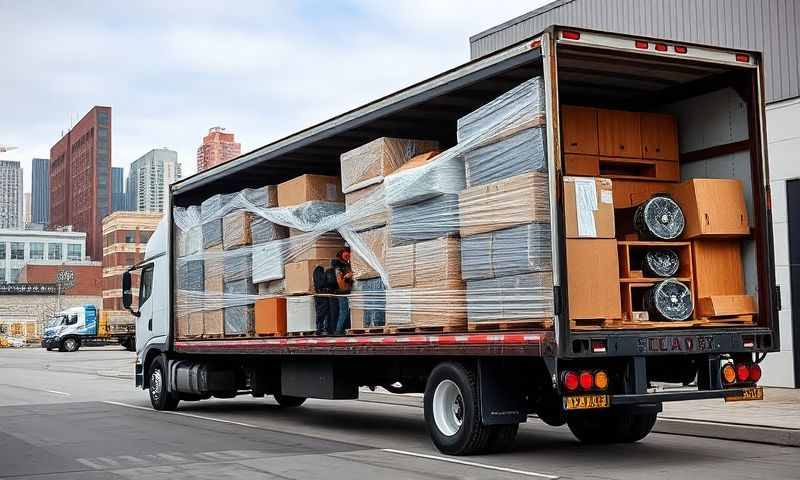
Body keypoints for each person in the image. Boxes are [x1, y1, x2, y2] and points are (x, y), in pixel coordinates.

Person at [332, 244, 353, 334]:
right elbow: (339, 279)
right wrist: (346, 277)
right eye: (346, 252)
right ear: (342, 252)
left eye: (349, 253)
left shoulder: (346, 263)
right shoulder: (338, 264)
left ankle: (343, 329)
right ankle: (338, 330)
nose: (347, 255)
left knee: (345, 311)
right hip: (342, 291)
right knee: (343, 311)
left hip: (346, 291)